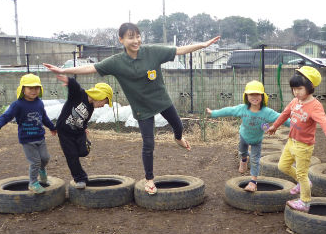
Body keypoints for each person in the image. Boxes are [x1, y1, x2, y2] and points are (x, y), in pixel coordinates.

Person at [44, 22, 220, 195]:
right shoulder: (117, 62)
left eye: (138, 36)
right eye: (130, 37)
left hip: (161, 101)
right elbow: (91, 68)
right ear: (121, 40)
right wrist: (63, 70)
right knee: (148, 143)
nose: (136, 40)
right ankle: (149, 179)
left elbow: (179, 50)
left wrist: (203, 45)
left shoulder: (152, 52)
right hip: (142, 109)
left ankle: (178, 138)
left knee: (178, 125)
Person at [267, 66, 326, 212]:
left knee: (302, 174)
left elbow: (323, 121)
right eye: (293, 89)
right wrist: (275, 126)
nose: (295, 92)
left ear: (310, 87)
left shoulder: (315, 106)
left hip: (304, 146)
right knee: (282, 166)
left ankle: (305, 202)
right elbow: (284, 114)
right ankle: (303, 182)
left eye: (299, 89)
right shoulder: (295, 101)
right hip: (291, 141)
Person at [206, 80, 289, 192]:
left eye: (257, 94)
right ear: (246, 96)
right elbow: (229, 110)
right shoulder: (242, 108)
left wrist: (297, 124)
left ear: (262, 96)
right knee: (242, 152)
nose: (254, 97)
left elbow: (282, 118)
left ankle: (253, 182)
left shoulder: (267, 112)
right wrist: (214, 113)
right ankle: (244, 160)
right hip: (244, 136)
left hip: (257, 140)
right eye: (251, 94)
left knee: (255, 160)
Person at [0, 73, 57, 194]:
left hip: (40, 137)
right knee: (35, 161)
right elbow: (6, 116)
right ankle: (33, 183)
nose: (34, 91)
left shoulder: (39, 103)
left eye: (36, 88)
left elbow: (44, 117)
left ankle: (42, 170)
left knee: (45, 158)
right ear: (23, 89)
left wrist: (52, 127)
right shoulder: (17, 104)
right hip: (27, 140)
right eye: (30, 88)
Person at [55, 75, 113, 189]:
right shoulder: (79, 95)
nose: (103, 106)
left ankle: (85, 143)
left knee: (83, 152)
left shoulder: (91, 107)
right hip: (65, 132)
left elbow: (84, 118)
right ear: (100, 95)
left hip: (79, 131)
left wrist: (84, 127)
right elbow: (75, 87)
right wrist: (69, 81)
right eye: (105, 102)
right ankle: (80, 179)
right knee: (72, 156)